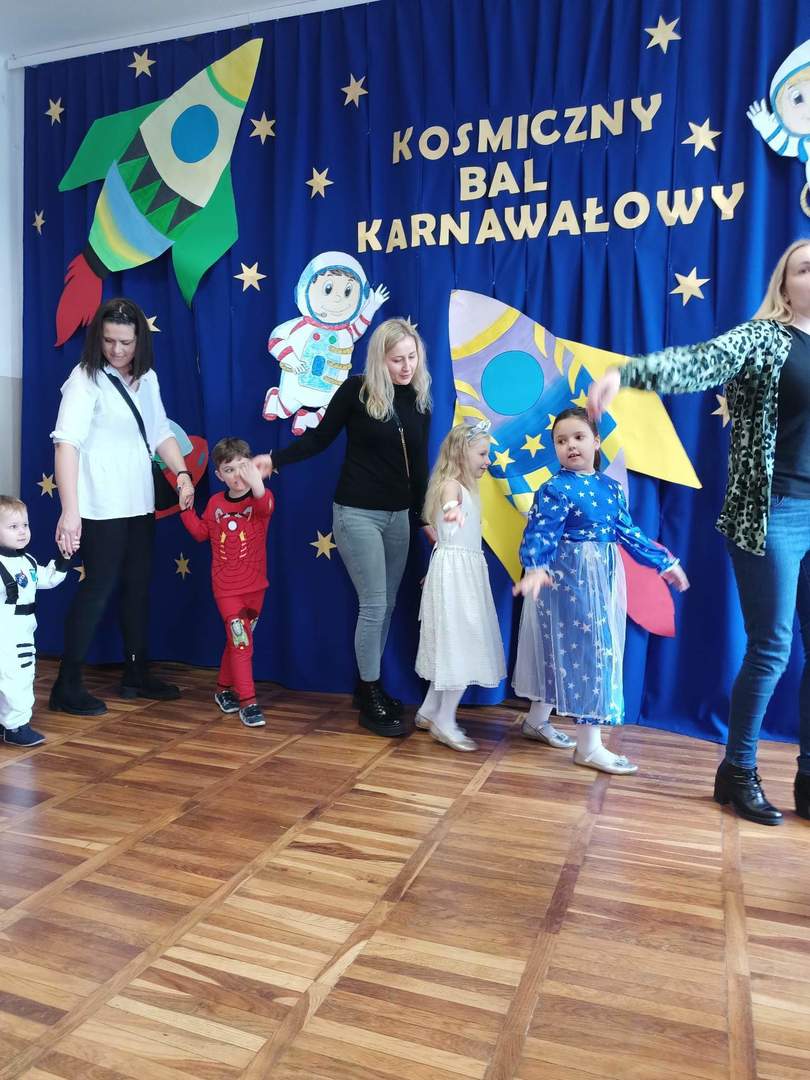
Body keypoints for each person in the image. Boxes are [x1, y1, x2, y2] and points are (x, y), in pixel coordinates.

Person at [587, 238, 810, 822]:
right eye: (805, 269)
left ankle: (809, 778)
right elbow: (700, 362)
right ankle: (738, 770)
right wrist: (627, 374)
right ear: (784, 286)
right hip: (772, 512)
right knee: (771, 647)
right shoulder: (765, 339)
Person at [253, 317, 433, 738]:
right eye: (397, 360)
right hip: (357, 513)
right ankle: (370, 694)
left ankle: (367, 685)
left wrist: (423, 517)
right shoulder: (355, 391)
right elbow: (319, 439)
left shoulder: (420, 399)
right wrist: (274, 460)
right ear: (379, 359)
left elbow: (420, 465)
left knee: (388, 605)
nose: (406, 367)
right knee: (374, 604)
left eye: (411, 357)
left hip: (398, 516)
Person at [512, 408, 689, 775]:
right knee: (588, 654)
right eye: (561, 441)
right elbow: (540, 533)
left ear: (596, 441)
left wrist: (664, 561)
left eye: (578, 437)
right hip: (565, 582)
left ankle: (536, 721)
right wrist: (535, 567)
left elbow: (628, 531)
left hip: (599, 578)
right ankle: (589, 747)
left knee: (573, 651)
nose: (570, 446)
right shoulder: (554, 489)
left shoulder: (610, 488)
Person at [49, 298, 194, 716]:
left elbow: (160, 432)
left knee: (137, 587)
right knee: (97, 589)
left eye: (125, 342)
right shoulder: (84, 378)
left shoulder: (148, 378)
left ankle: (135, 673)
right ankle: (66, 686)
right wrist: (70, 511)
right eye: (109, 340)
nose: (116, 350)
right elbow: (66, 444)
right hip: (99, 506)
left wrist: (182, 474)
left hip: (139, 502)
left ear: (139, 341)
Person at [413, 419, 506, 751]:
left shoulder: (466, 488)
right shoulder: (451, 485)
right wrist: (452, 511)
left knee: (452, 642)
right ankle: (444, 720)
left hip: (458, 571)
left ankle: (429, 711)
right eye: (482, 454)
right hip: (457, 575)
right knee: (461, 643)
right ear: (460, 453)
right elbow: (449, 501)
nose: (487, 461)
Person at [180, 438, 274, 728]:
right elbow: (200, 533)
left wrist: (256, 481)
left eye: (242, 467)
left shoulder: (261, 499)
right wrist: (186, 509)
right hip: (227, 590)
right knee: (242, 644)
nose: (237, 475)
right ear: (219, 475)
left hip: (256, 588)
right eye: (229, 470)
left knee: (238, 642)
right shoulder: (215, 503)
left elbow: (264, 505)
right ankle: (249, 702)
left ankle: (223, 689)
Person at [0, 496, 71, 747]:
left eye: (25, 525)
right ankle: (16, 726)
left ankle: (7, 722)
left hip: (23, 629)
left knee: (15, 675)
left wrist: (64, 557)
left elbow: (48, 579)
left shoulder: (27, 561)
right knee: (17, 677)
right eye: (13, 526)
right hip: (6, 632)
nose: (22, 532)